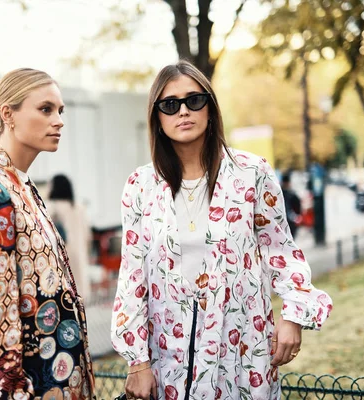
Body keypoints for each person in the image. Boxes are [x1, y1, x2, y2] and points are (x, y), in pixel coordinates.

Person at [111, 61, 332, 400]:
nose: (183, 111)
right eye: (170, 105)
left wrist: (294, 314)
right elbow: (132, 277)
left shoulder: (252, 173)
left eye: (194, 100)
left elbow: (280, 251)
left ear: (210, 108)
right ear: (156, 117)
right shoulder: (140, 185)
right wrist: (137, 362)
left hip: (242, 347)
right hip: (168, 354)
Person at [0, 68, 94, 400]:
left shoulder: (22, 186)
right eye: (46, 109)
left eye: (60, 111)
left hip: (58, 382)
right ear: (8, 115)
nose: (58, 120)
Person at [47, 174, 92, 301]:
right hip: (79, 255)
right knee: (80, 296)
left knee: (65, 296)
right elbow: (88, 235)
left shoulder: (50, 207)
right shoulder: (79, 207)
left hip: (61, 256)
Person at [281, 172, 302, 238]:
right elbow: (298, 207)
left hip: (282, 220)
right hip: (291, 220)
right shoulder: (292, 194)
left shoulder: (279, 193)